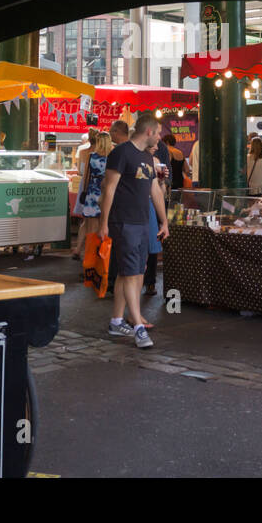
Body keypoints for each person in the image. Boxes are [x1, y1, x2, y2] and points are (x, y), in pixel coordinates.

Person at [98, 113, 168, 349]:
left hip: (139, 222)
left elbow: (155, 192)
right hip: (123, 222)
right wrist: (104, 222)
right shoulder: (121, 153)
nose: (159, 137)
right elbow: (108, 188)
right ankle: (138, 325)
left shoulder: (148, 158)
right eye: (158, 132)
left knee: (136, 272)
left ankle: (117, 321)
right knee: (130, 273)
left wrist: (163, 221)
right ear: (149, 132)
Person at [72, 132, 111, 259]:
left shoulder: (91, 156)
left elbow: (87, 177)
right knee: (105, 226)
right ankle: (103, 258)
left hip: (92, 194)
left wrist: (84, 191)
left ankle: (89, 260)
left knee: (90, 230)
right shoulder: (112, 158)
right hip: (106, 194)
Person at [143, 136, 169, 297]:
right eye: (155, 145)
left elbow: (162, 192)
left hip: (152, 206)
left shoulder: (157, 160)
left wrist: (161, 181)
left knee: (153, 246)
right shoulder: (134, 160)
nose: (157, 147)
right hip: (138, 207)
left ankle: (150, 282)